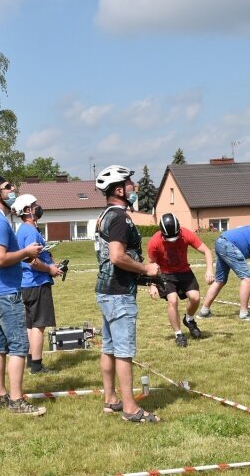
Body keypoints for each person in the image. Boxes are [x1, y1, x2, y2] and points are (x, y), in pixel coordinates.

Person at [94, 165, 160, 423]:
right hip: (119, 293)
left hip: (106, 291)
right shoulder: (121, 217)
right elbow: (117, 256)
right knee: (124, 351)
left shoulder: (104, 215)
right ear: (119, 189)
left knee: (109, 347)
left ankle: (111, 400)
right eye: (130, 183)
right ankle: (130, 408)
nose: (135, 186)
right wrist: (146, 269)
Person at [0, 173, 46, 416]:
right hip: (5, 293)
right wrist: (27, 251)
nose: (13, 189)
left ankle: (0, 396)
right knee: (18, 345)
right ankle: (16, 400)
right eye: (8, 187)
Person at [12, 194, 63, 374]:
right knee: (38, 326)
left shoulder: (24, 230)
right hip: (36, 283)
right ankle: (37, 365)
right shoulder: (30, 231)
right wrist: (50, 270)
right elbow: (31, 260)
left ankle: (30, 361)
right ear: (28, 210)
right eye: (35, 205)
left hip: (27, 283)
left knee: (30, 325)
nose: (38, 207)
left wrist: (51, 264)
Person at [146, 213, 214, 348]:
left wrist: (210, 270)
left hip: (184, 272)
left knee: (195, 298)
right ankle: (178, 334)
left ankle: (189, 320)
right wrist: (152, 284)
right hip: (165, 274)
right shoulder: (154, 242)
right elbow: (151, 265)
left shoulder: (186, 234)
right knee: (173, 300)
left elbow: (207, 251)